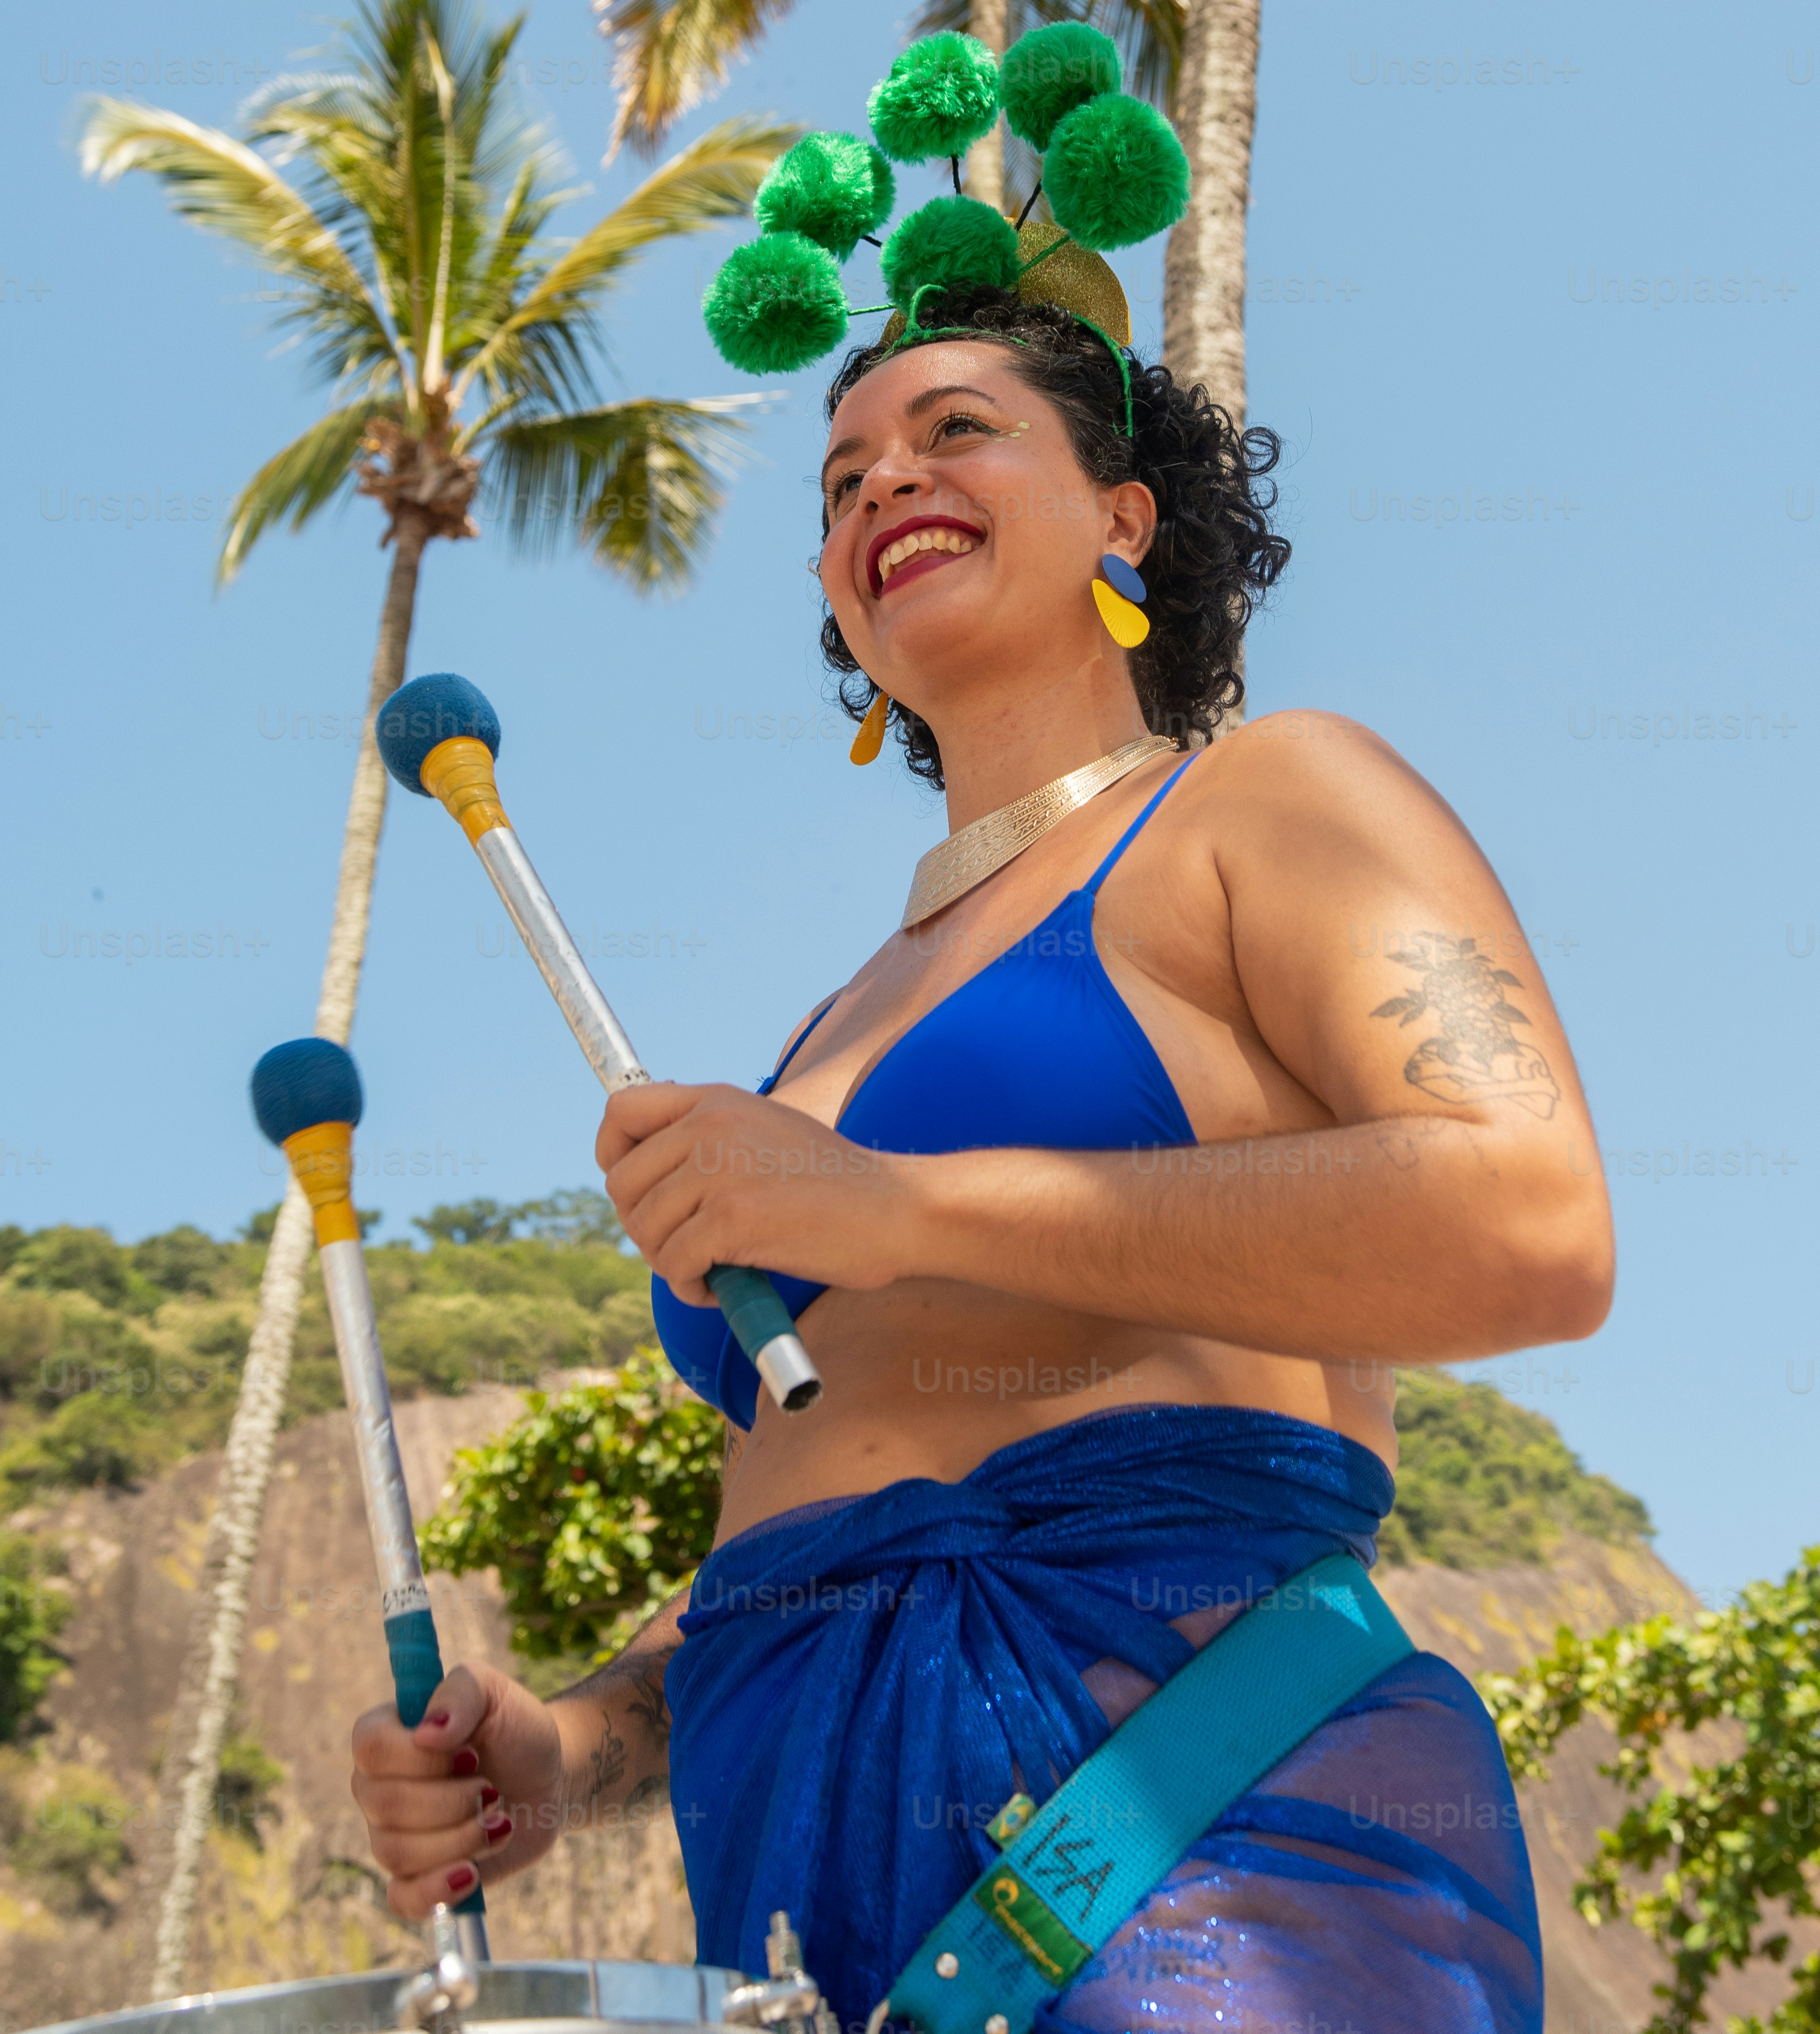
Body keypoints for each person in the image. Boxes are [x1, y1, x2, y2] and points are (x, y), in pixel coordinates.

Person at [350, 272, 1612, 2034]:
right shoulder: (825, 1031)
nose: (884, 480)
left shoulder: (1269, 799)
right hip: (794, 1887)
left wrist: (900, 1207)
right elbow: (820, 1526)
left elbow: (1529, 1221)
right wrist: (569, 1752)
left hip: (1201, 1839)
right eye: (841, 476)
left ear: (1123, 519)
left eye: (958, 432)